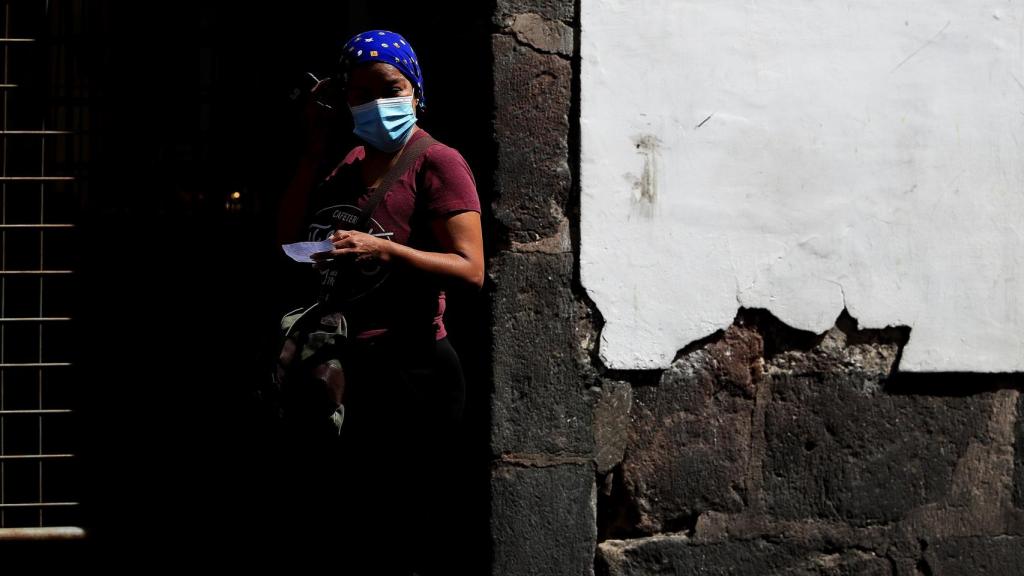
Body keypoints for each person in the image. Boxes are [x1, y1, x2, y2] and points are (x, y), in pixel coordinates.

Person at [274, 30, 483, 574]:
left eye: (388, 89)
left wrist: (385, 251)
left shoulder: (438, 163)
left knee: (407, 523)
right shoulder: (346, 163)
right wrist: (314, 150)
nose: (373, 105)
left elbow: (470, 269)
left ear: (415, 90)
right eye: (358, 94)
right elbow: (287, 231)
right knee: (355, 521)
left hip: (415, 369)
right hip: (352, 363)